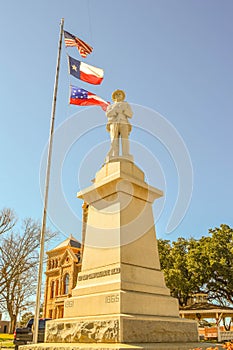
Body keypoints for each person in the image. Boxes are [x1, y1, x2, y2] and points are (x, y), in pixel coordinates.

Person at [105, 89, 133, 159]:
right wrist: (115, 111)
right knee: (114, 139)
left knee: (124, 139)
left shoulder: (126, 104)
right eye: (116, 94)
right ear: (114, 97)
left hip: (124, 122)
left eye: (119, 94)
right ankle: (115, 155)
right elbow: (108, 114)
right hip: (114, 123)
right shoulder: (110, 106)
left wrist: (124, 111)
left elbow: (130, 114)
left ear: (122, 96)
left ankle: (126, 154)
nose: (118, 95)